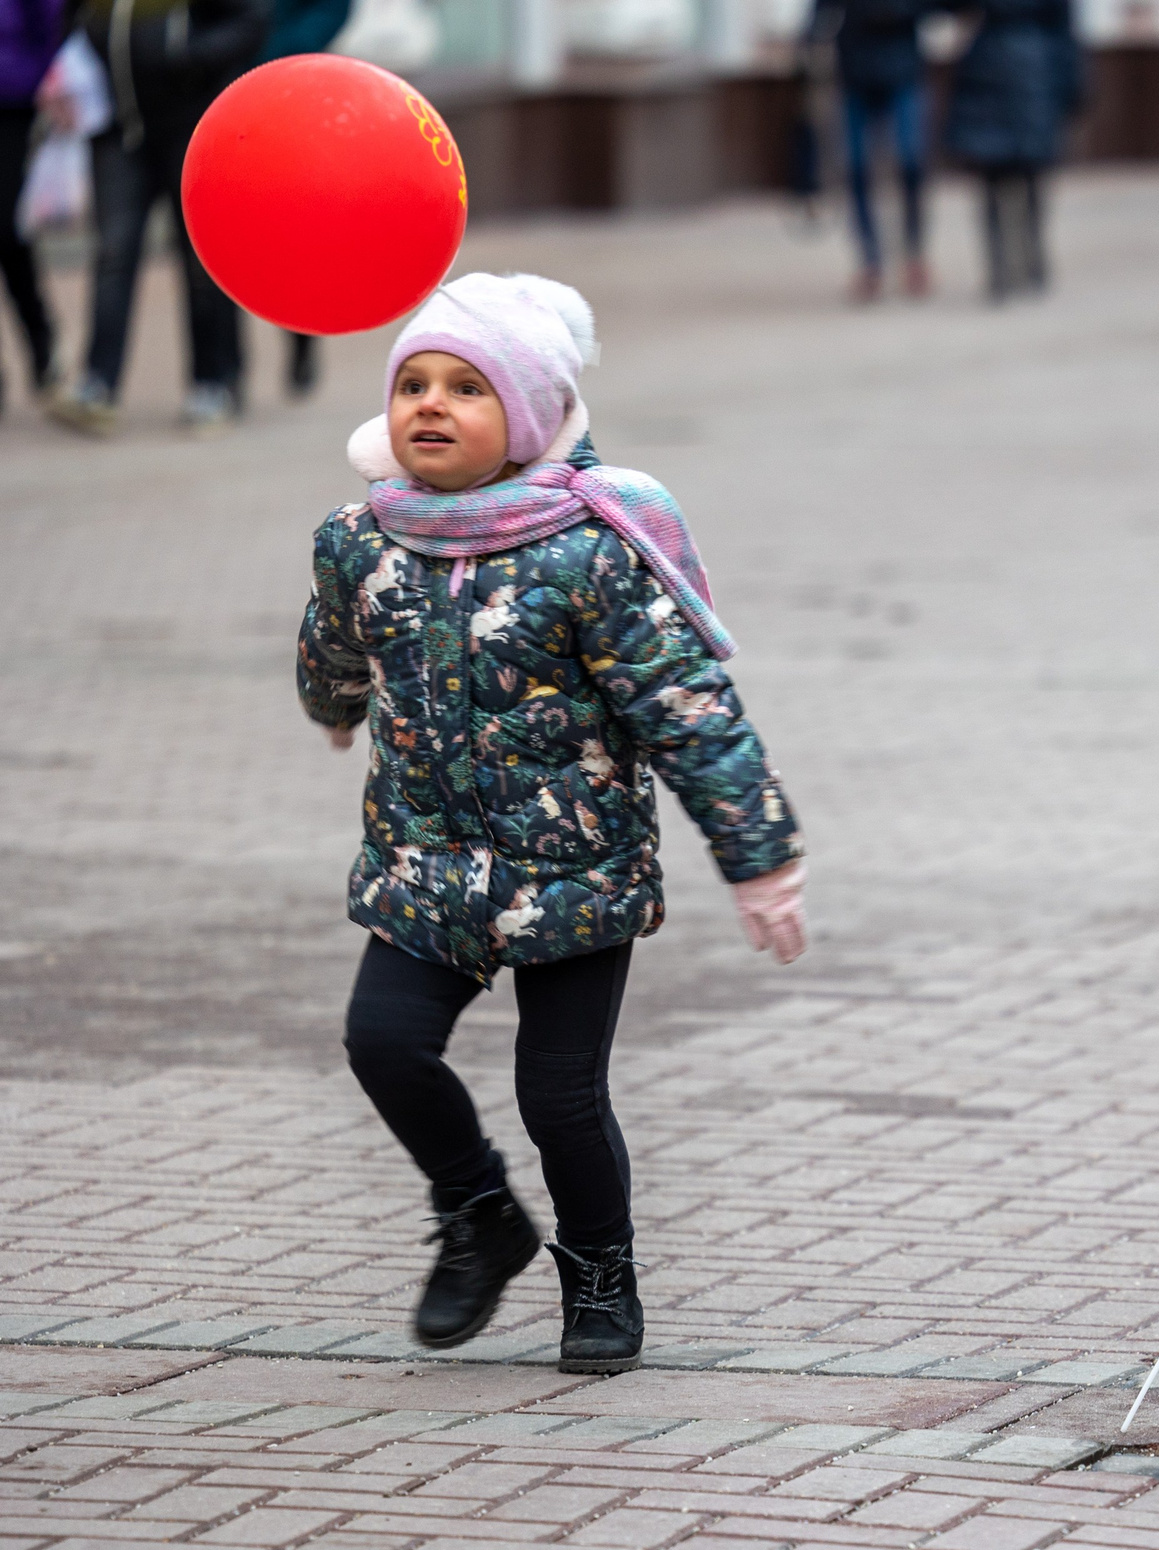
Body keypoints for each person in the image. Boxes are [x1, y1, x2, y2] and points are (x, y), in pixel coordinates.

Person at [296, 274, 809, 1373]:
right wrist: (335, 708)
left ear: (528, 419)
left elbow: (686, 709)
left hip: (575, 873)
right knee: (381, 1043)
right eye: (414, 385)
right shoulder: (361, 538)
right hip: (426, 867)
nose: (430, 406)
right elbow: (333, 648)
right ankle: (479, 1213)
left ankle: (600, 1269)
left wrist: (758, 858)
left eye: (468, 389)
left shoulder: (589, 549)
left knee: (558, 1094)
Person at [48, 0, 264, 436]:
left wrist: (188, 55)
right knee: (113, 253)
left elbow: (250, 19)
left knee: (201, 261)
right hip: (119, 129)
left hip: (194, 128)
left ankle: (213, 381)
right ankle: (98, 385)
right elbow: (71, 18)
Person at [943, 0, 1081, 302]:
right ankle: (1009, 261)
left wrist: (1073, 83)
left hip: (1021, 67)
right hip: (1011, 68)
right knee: (1000, 171)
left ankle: (1016, 258)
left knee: (1023, 171)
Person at [259, 0, 348, 397]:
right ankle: (224, 371)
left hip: (297, 92)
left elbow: (333, 10)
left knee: (295, 235)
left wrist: (274, 52)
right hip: (230, 90)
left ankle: (301, 337)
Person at [826, 0, 930, 301]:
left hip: (903, 71)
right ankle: (870, 260)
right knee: (856, 168)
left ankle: (913, 252)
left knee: (911, 162)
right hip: (854, 74)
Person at [0, 0, 60, 416]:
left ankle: (41, 340)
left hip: (12, 105)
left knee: (7, 232)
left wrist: (46, 78)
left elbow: (51, 23)